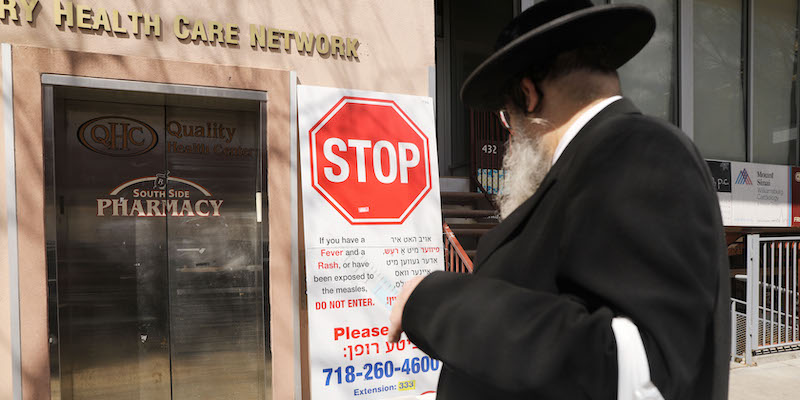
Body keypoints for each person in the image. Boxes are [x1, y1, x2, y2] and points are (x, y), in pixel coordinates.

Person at [387, 1, 731, 399]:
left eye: (506, 115)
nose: (508, 132)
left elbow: (640, 375)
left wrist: (438, 302)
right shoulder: (596, 163)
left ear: (527, 95)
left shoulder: (638, 149)